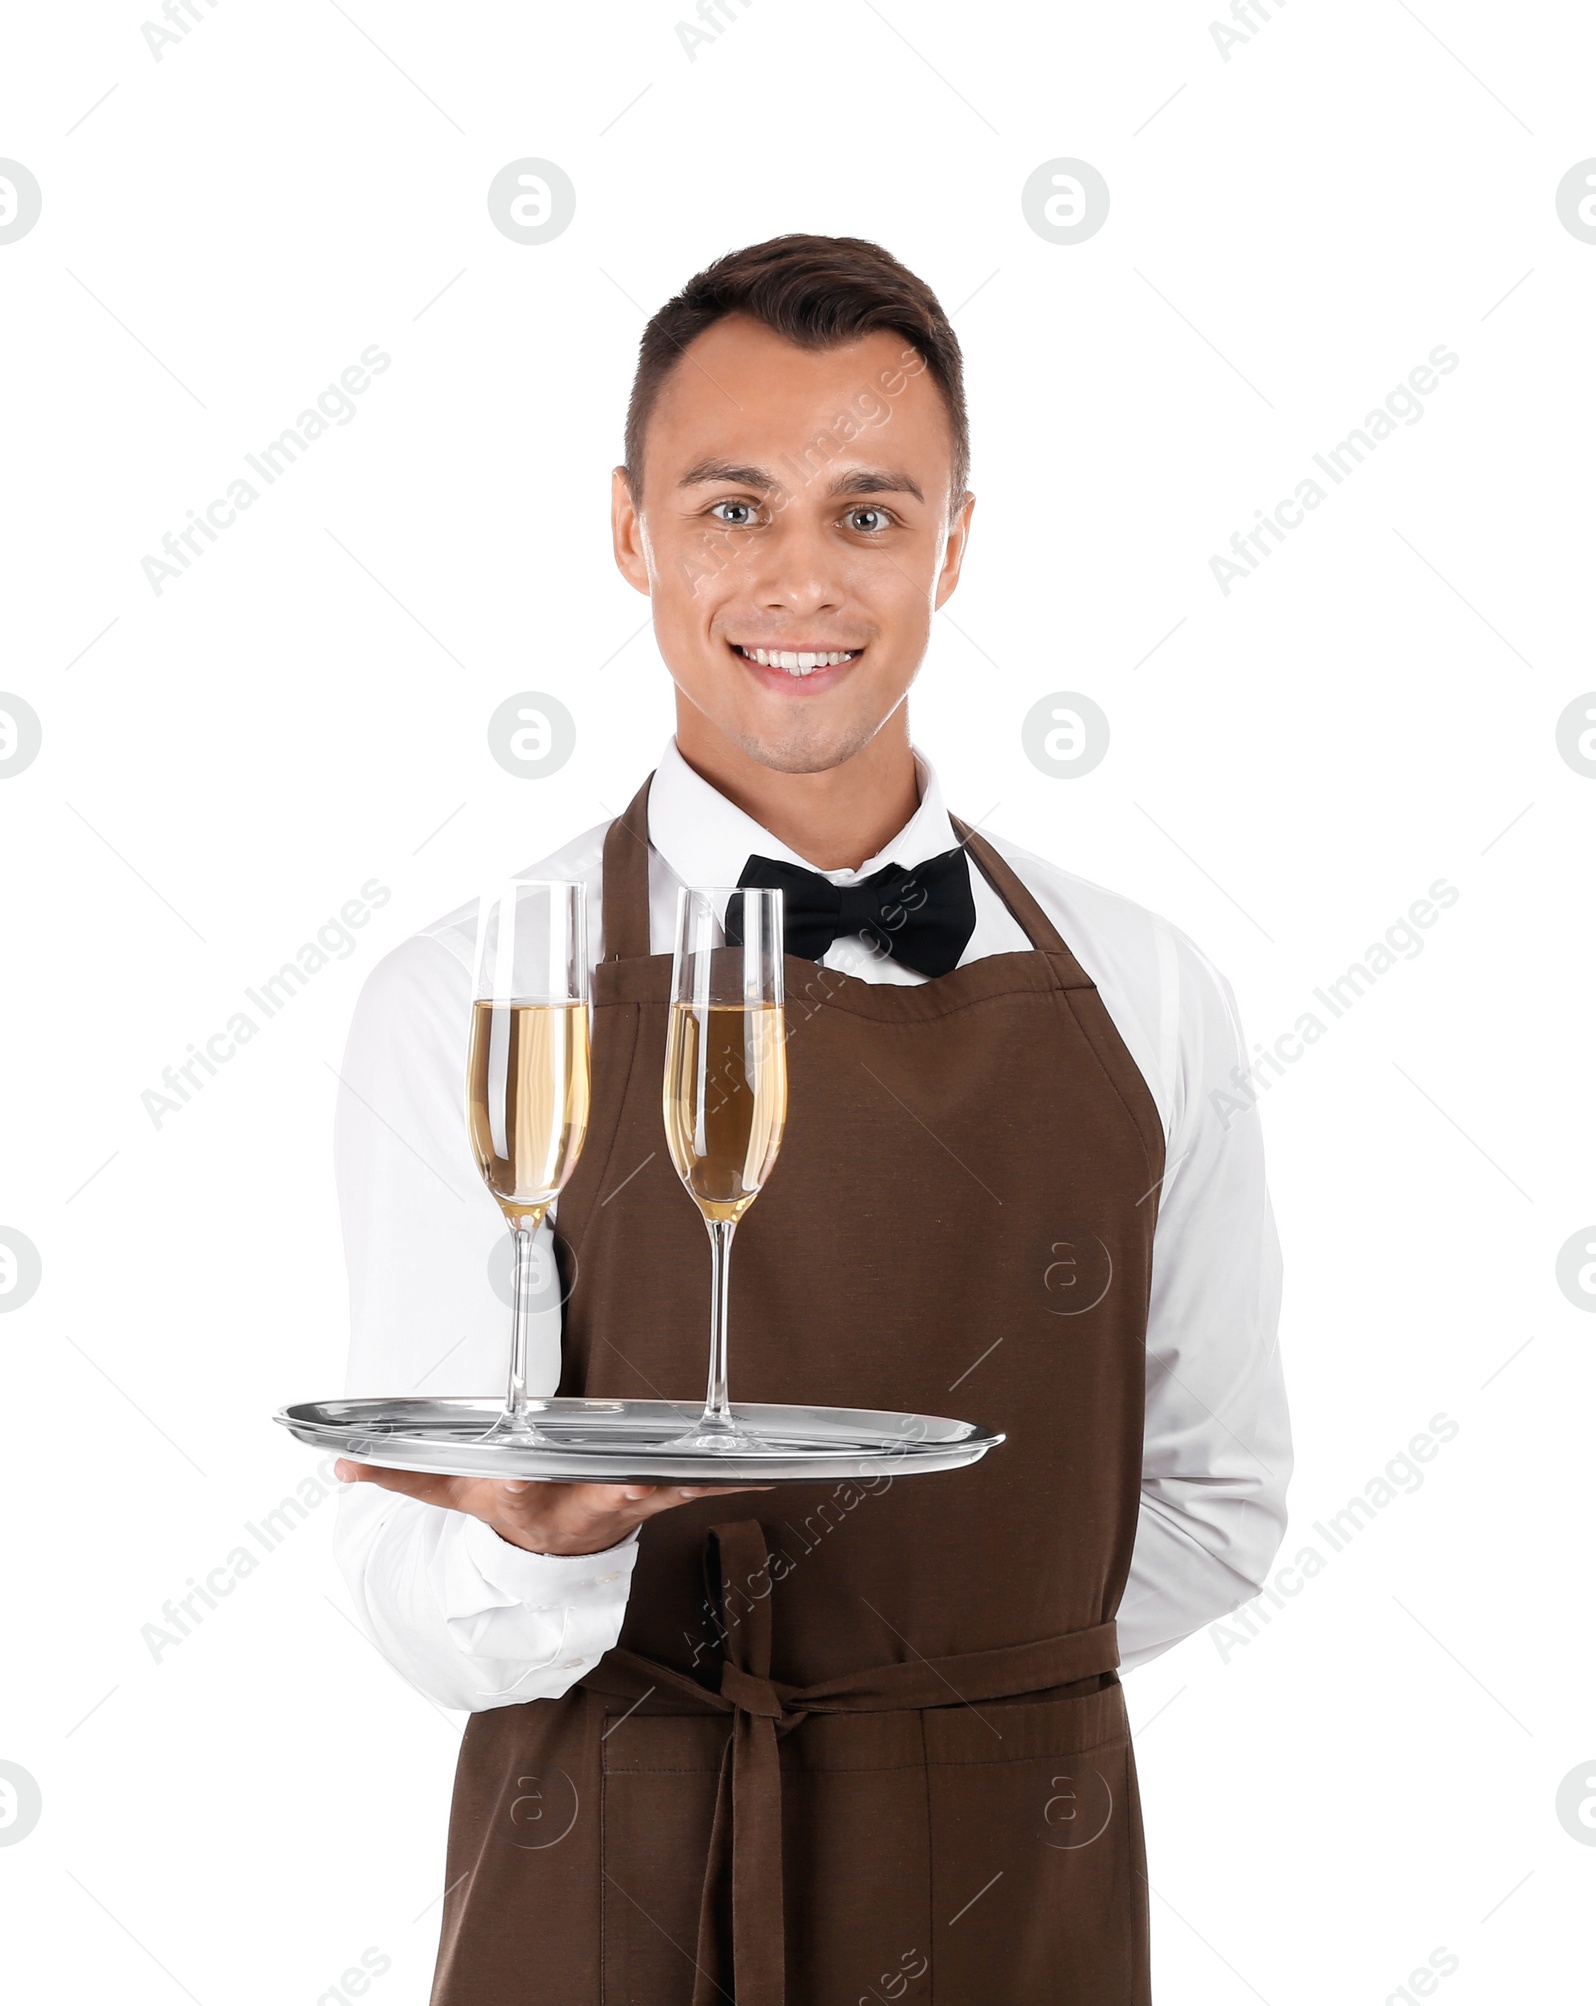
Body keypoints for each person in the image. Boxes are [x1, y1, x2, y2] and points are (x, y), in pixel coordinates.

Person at [331, 232, 1291, 2006]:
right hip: (607, 1876)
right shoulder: (459, 997)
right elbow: (404, 1593)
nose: (800, 579)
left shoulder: (1153, 989)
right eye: (730, 507)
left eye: (868, 512)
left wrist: (956, 1701)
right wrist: (526, 1557)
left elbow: (1222, 1500)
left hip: (1027, 1892)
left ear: (955, 544)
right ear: (629, 530)